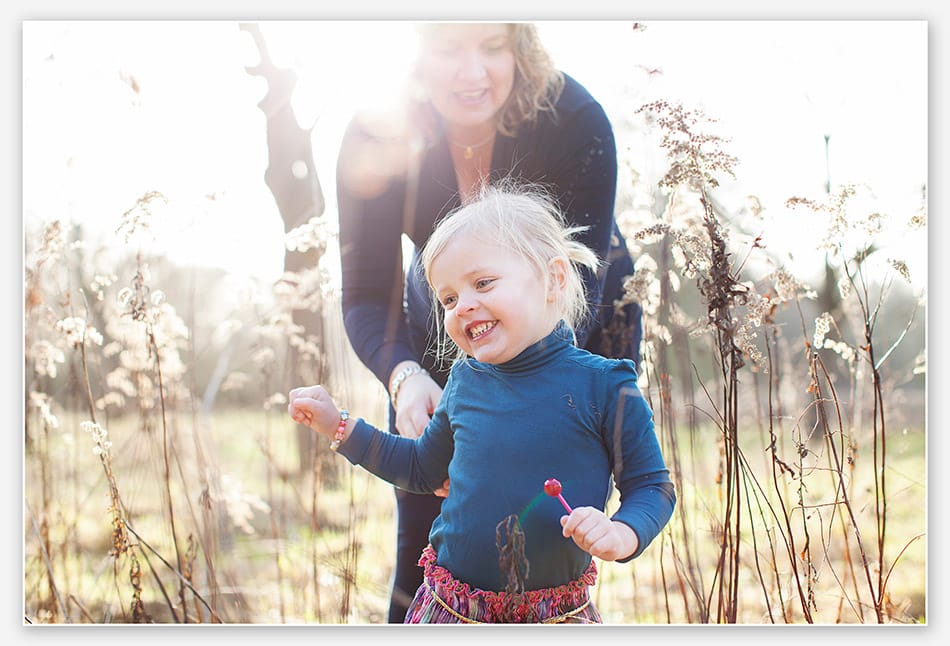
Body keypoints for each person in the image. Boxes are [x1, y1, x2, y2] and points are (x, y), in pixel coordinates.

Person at [335, 22, 643, 622]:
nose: (471, 72)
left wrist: (524, 413)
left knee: (547, 531)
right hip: (448, 322)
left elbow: (573, 289)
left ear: (519, 45)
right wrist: (404, 377)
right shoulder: (376, 131)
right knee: (429, 521)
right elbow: (366, 292)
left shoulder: (573, 118)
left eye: (492, 46)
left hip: (578, 318)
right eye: (449, 48)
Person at [289, 185, 674, 624]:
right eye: (449, 298)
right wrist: (338, 426)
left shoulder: (605, 386)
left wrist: (622, 533)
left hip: (554, 618)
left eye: (483, 283)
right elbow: (421, 468)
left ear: (554, 279)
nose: (463, 306)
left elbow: (652, 487)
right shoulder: (464, 380)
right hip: (450, 610)